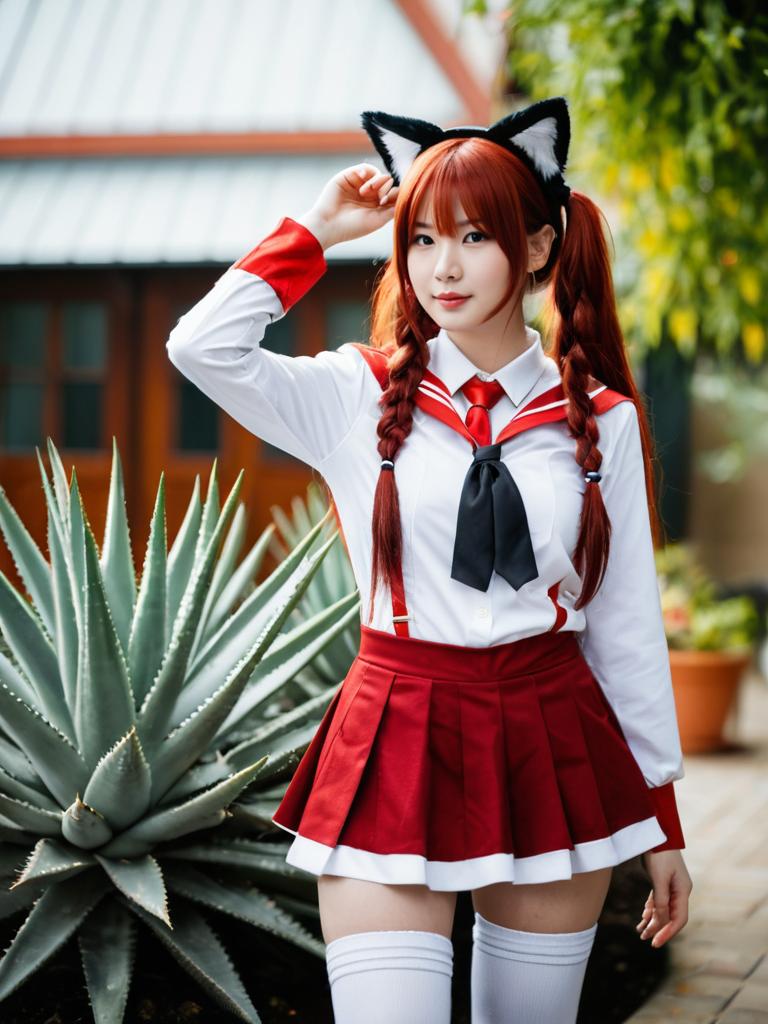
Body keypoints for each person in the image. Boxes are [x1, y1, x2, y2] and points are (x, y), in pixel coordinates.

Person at [166, 96, 693, 1024]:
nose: (442, 268)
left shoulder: (600, 419)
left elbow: (624, 627)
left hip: (550, 733)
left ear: (536, 248)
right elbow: (200, 346)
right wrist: (316, 231)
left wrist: (664, 824)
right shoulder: (354, 395)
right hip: (395, 731)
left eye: (475, 237)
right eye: (421, 239)